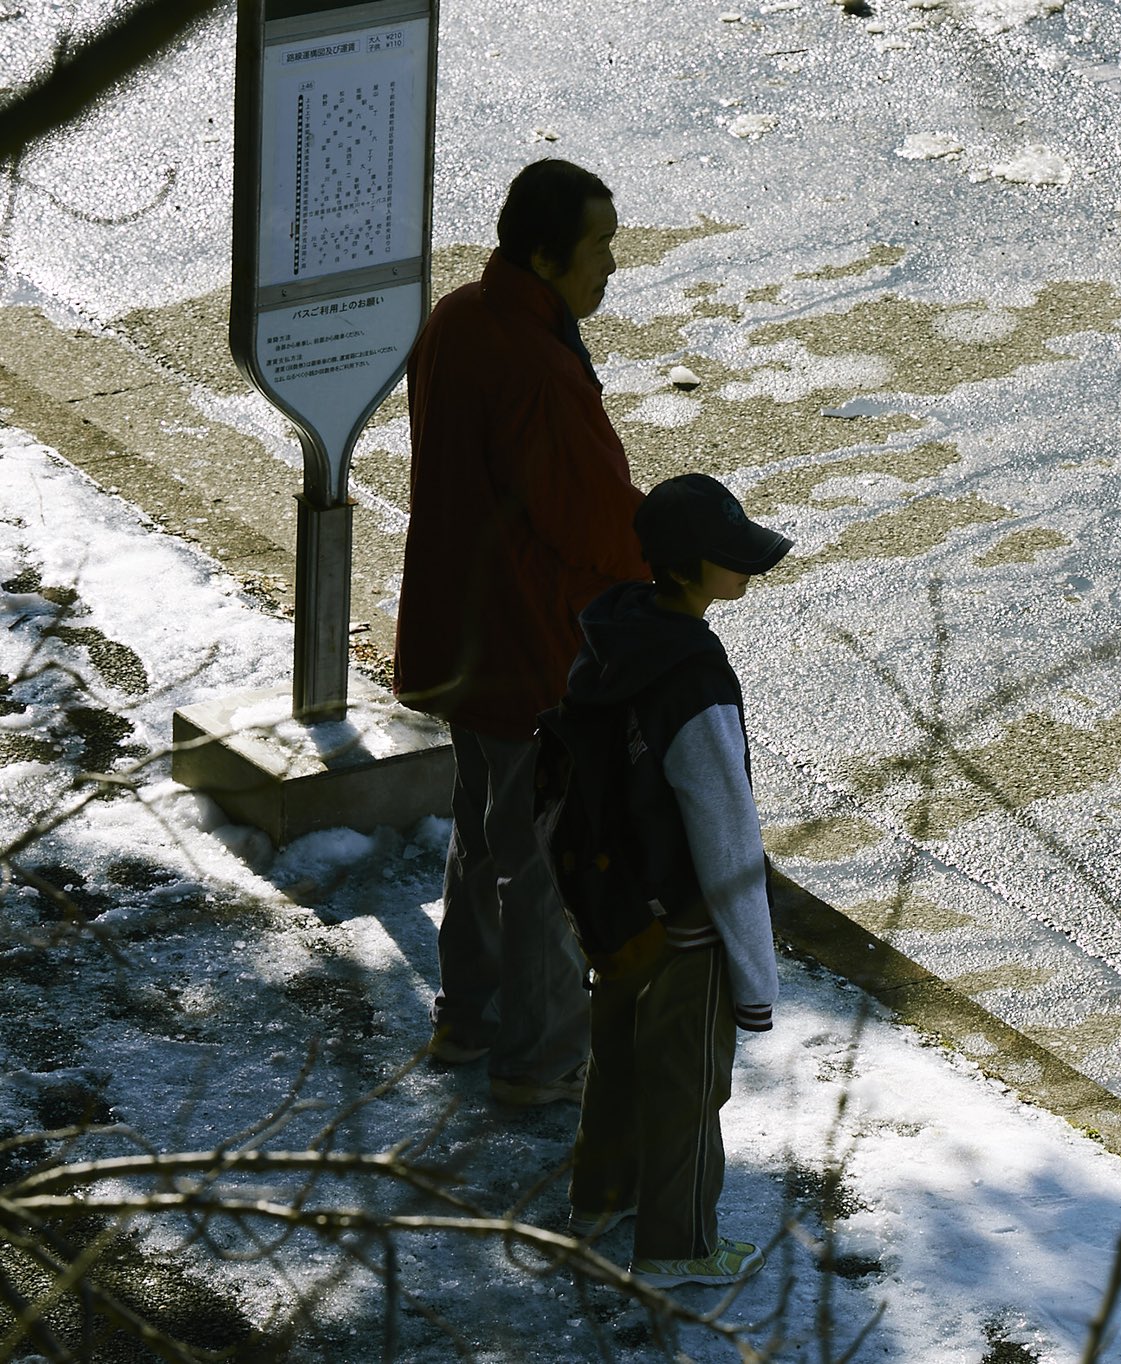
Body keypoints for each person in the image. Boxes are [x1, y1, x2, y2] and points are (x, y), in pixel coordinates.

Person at [395, 159, 646, 1105]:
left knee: (482, 831)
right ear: (545, 253)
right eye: (599, 246)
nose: (612, 265)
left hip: (457, 631)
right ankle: (540, 1057)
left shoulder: (457, 319)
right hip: (532, 644)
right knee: (542, 856)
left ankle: (469, 1015)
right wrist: (661, 559)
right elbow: (588, 523)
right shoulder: (539, 368)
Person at [559, 473, 790, 1288]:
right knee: (689, 1091)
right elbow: (726, 829)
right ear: (689, 569)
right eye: (731, 559)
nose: (746, 571)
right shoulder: (693, 675)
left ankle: (598, 1199)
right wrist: (755, 977)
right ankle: (679, 1247)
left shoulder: (615, 634)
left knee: (617, 1061)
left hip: (616, 902)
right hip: (686, 923)